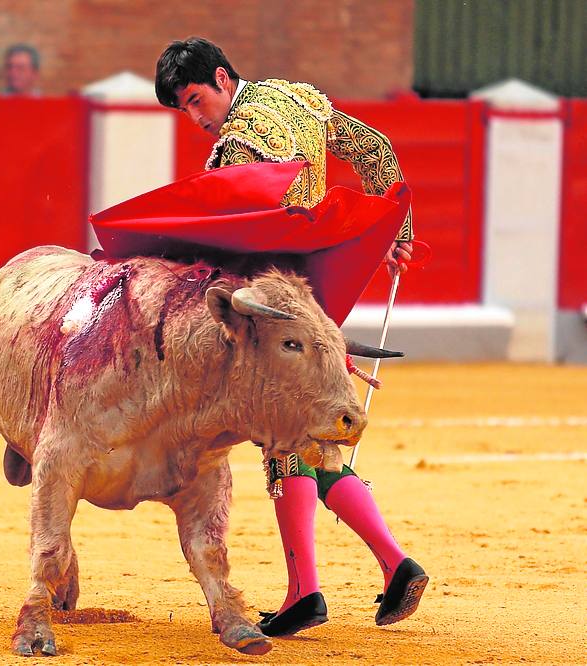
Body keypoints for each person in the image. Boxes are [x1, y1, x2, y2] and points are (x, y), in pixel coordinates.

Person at [155, 37, 426, 637]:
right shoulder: (298, 98)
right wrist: (396, 230)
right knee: (307, 444)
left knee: (287, 441)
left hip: (271, 315)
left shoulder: (234, 152)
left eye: (198, 99)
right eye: (185, 109)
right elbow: (376, 150)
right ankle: (376, 568)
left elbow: (233, 233)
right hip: (315, 304)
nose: (197, 118)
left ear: (223, 79)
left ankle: (332, 582)